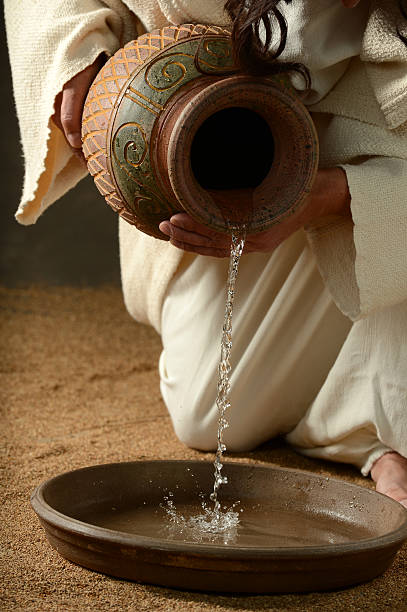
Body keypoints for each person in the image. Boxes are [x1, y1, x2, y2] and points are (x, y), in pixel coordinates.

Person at [5, 0, 407, 507]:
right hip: (214, 139)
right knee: (213, 413)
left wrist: (330, 196)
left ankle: (382, 420)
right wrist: (73, 51)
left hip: (377, 147)